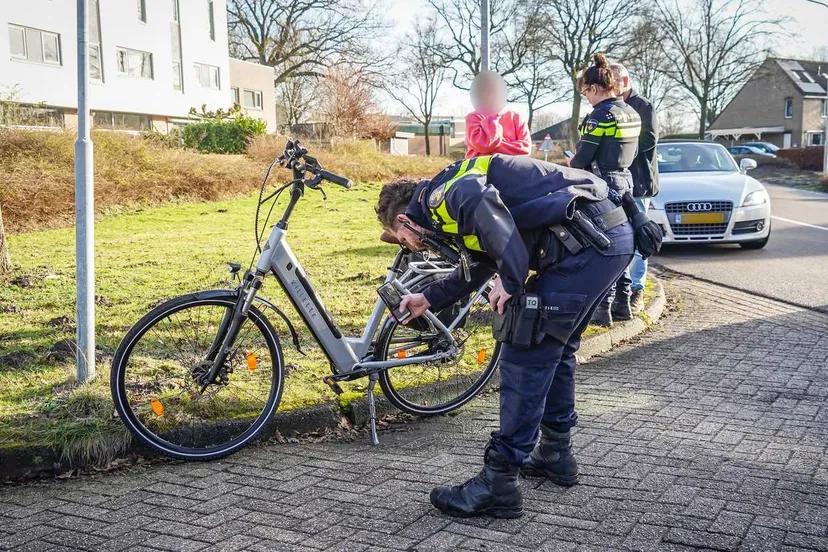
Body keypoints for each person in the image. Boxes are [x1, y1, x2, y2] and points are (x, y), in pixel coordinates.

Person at [374, 152, 635, 519]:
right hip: (604, 241)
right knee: (555, 350)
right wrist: (428, 298)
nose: (412, 247)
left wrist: (512, 282)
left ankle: (499, 481)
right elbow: (483, 261)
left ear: (404, 220)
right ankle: (555, 453)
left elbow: (487, 213)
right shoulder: (449, 203)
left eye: (404, 239)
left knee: (524, 353)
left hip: (585, 247)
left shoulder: (444, 196)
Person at [568, 53, 641, 327]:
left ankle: (603, 310)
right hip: (626, 181)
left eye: (586, 91)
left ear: (595, 88)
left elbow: (583, 157)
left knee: (605, 245)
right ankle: (623, 305)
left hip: (603, 185)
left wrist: (571, 161)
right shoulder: (631, 112)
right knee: (624, 244)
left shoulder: (601, 116)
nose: (586, 96)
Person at [609, 62, 659, 315]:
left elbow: (649, 140)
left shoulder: (643, 106)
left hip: (637, 182)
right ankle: (619, 291)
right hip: (619, 182)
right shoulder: (611, 107)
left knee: (639, 239)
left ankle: (636, 290)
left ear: (624, 82)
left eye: (613, 81)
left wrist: (619, 149)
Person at [465, 71, 531, 158]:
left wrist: (493, 145)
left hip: (510, 169)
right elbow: (483, 145)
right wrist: (508, 144)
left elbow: (525, 149)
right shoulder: (474, 117)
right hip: (482, 170)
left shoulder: (516, 117)